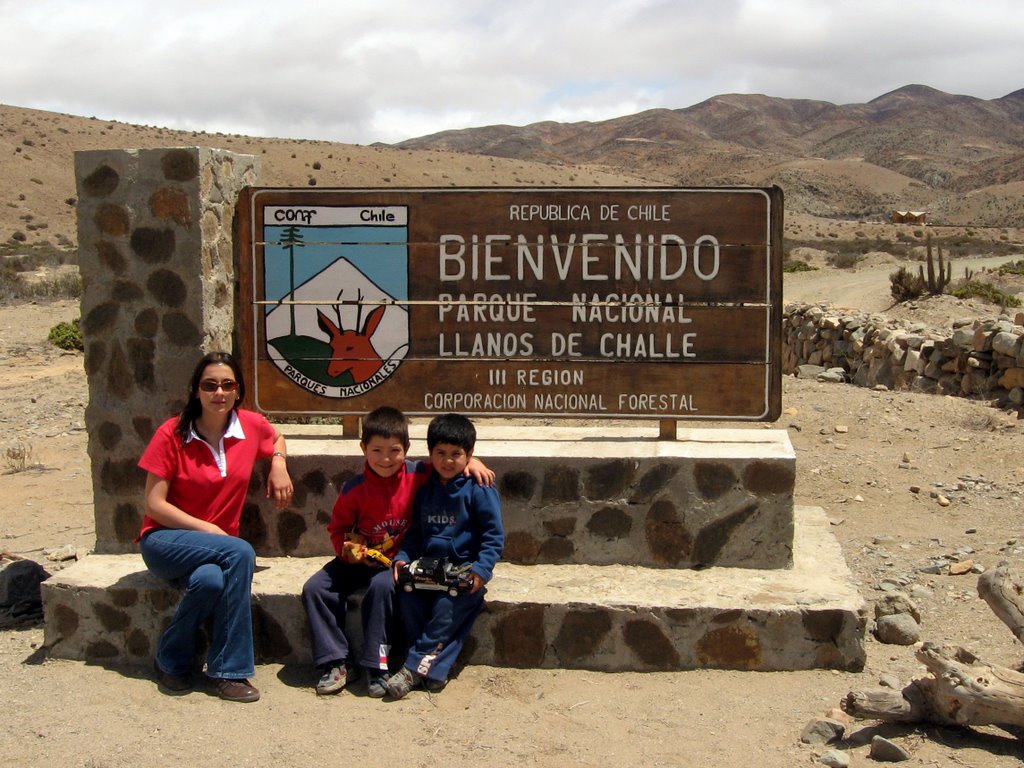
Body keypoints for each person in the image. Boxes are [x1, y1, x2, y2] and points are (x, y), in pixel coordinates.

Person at [301, 406, 494, 698]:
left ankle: (378, 666)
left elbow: (450, 458)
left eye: (394, 450)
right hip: (362, 559)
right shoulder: (354, 489)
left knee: (382, 588)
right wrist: (349, 552)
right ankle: (336, 661)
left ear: (406, 449)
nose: (386, 459)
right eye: (376, 450)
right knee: (315, 588)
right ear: (363, 448)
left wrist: (474, 461)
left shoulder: (418, 474)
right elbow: (338, 531)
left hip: (396, 563)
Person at [137, 351, 293, 703]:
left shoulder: (249, 426)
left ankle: (170, 659)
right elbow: (154, 505)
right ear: (196, 390)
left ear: (238, 391)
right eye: (209, 385)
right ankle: (230, 670)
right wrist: (205, 529)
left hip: (216, 551)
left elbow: (276, 437)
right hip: (165, 541)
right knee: (241, 551)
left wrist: (278, 464)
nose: (218, 393)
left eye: (227, 385)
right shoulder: (172, 434)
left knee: (209, 581)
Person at [386, 413, 504, 699]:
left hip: (463, 572)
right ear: (430, 454)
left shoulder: (480, 488)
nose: (448, 461)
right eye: (440, 453)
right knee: (408, 598)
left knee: (444, 609)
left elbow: (493, 535)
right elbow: (415, 533)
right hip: (428, 569)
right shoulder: (425, 491)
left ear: (470, 455)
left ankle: (412, 669)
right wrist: (402, 557)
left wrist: (481, 569)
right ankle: (436, 670)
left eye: (456, 454)